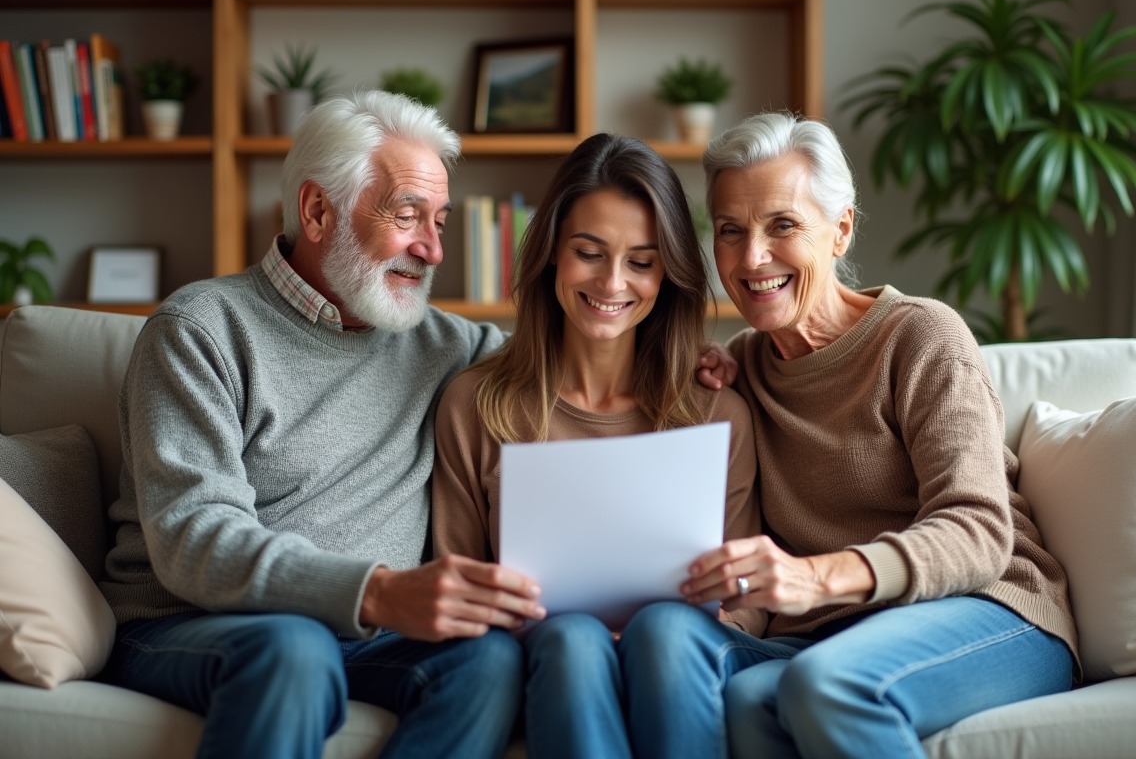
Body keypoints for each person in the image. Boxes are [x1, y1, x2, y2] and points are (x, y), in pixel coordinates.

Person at [98, 90, 550, 759]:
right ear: (317, 211)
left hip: (364, 635)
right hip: (192, 625)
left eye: (442, 221)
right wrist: (377, 591)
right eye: (407, 216)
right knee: (294, 647)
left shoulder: (452, 348)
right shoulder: (200, 329)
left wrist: (705, 363)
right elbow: (194, 537)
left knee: (486, 658)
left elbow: (575, 371)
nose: (432, 250)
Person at [628, 112, 1080, 759]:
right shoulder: (741, 369)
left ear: (840, 230)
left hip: (994, 609)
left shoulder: (921, 337)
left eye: (782, 225)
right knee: (746, 699)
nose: (752, 258)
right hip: (838, 633)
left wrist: (817, 577)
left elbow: (978, 529)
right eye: (731, 231)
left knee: (826, 684)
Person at [431, 133, 765, 759]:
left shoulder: (716, 413)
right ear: (552, 254)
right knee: (572, 638)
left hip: (681, 655)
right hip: (549, 657)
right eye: (589, 252)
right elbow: (459, 602)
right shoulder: (475, 406)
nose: (613, 282)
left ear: (667, 273)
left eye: (641, 261)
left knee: (663, 631)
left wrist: (698, 625)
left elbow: (746, 608)